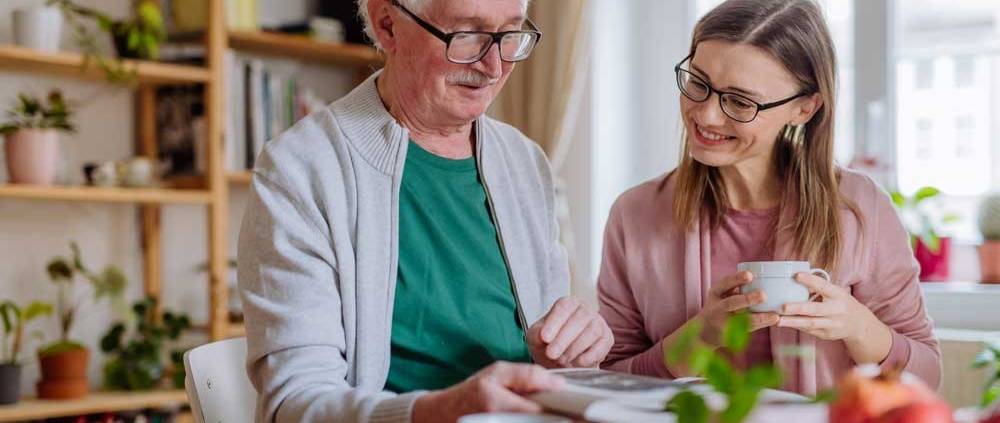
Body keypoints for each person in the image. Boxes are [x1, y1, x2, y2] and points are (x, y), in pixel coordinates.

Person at [237, 0, 613, 421]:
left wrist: (573, 350)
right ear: (387, 25)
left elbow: (552, 363)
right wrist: (443, 410)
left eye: (509, 34)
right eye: (468, 34)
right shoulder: (300, 170)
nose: (494, 66)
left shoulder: (525, 163)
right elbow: (293, 405)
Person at [596, 0, 941, 395]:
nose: (706, 115)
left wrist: (858, 327)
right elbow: (610, 379)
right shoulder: (636, 214)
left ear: (804, 108)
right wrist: (699, 338)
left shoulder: (861, 209)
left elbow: (927, 377)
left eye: (740, 101)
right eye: (698, 83)